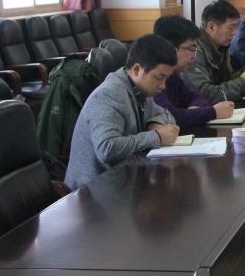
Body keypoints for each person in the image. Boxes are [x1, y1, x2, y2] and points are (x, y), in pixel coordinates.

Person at [64, 34, 179, 190]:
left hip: (123, 181)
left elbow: (165, 114)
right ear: (137, 69)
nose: (163, 86)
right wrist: (156, 136)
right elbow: (107, 149)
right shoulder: (109, 94)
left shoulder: (139, 89)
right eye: (160, 77)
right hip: (92, 191)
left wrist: (155, 123)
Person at [152, 14, 236, 127]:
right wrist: (213, 112)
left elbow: (197, 97)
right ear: (171, 48)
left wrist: (195, 110)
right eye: (191, 49)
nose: (194, 56)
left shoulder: (173, 74)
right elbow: (171, 116)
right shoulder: (153, 76)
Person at [188, 0, 245, 103]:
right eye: (231, 27)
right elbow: (205, 94)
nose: (234, 33)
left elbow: (228, 79)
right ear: (211, 27)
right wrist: (243, 83)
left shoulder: (221, 47)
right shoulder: (193, 52)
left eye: (236, 27)